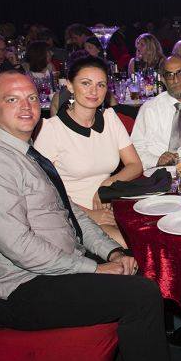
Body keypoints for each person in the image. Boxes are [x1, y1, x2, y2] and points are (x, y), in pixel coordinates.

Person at [0, 70, 181, 361]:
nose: (27, 107)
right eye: (12, 100)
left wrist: (110, 252)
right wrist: (95, 268)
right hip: (22, 289)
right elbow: (19, 248)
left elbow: (70, 211)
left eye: (32, 98)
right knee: (140, 295)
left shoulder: (23, 151)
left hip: (54, 267)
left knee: (135, 262)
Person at [34, 57, 142, 246]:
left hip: (111, 206)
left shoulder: (110, 119)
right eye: (86, 83)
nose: (94, 91)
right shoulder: (51, 129)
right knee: (134, 245)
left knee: (154, 235)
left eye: (101, 85)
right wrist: (90, 214)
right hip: (71, 215)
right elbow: (43, 191)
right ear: (70, 85)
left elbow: (135, 165)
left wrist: (106, 185)